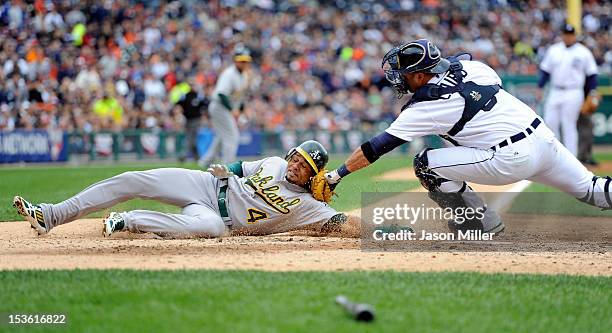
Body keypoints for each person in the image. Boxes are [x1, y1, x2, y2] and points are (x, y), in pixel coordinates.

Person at [324, 38, 612, 234]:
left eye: (405, 73)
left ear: (421, 76)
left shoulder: (426, 105)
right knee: (594, 190)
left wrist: (335, 176)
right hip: (544, 139)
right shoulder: (474, 67)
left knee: (425, 163)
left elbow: (376, 148)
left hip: (510, 158)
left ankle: (478, 224)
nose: (399, 78)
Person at [13, 141, 356, 238]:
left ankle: (128, 221)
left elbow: (344, 224)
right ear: (289, 155)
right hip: (205, 183)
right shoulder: (273, 163)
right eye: (295, 158)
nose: (296, 165)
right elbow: (238, 169)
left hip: (219, 218)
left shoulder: (308, 206)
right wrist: (229, 170)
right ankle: (51, 214)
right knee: (134, 179)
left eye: (305, 167)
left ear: (314, 176)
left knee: (210, 229)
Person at [538, 23, 598, 158]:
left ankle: (571, 158)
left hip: (574, 91)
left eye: (570, 34)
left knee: (568, 125)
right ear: (562, 35)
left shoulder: (583, 52)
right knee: (550, 122)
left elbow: (592, 74)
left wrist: (592, 91)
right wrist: (540, 87)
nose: (568, 37)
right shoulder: (554, 50)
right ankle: (556, 155)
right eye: (566, 34)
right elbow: (545, 71)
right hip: (555, 90)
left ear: (574, 36)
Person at [198, 46, 252, 167]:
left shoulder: (244, 75)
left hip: (225, 108)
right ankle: (228, 166)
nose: (244, 63)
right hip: (219, 107)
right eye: (241, 61)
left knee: (221, 136)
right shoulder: (229, 74)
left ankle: (205, 162)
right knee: (232, 136)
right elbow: (221, 94)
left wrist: (241, 109)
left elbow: (240, 96)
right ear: (235, 60)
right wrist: (232, 110)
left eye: (246, 61)